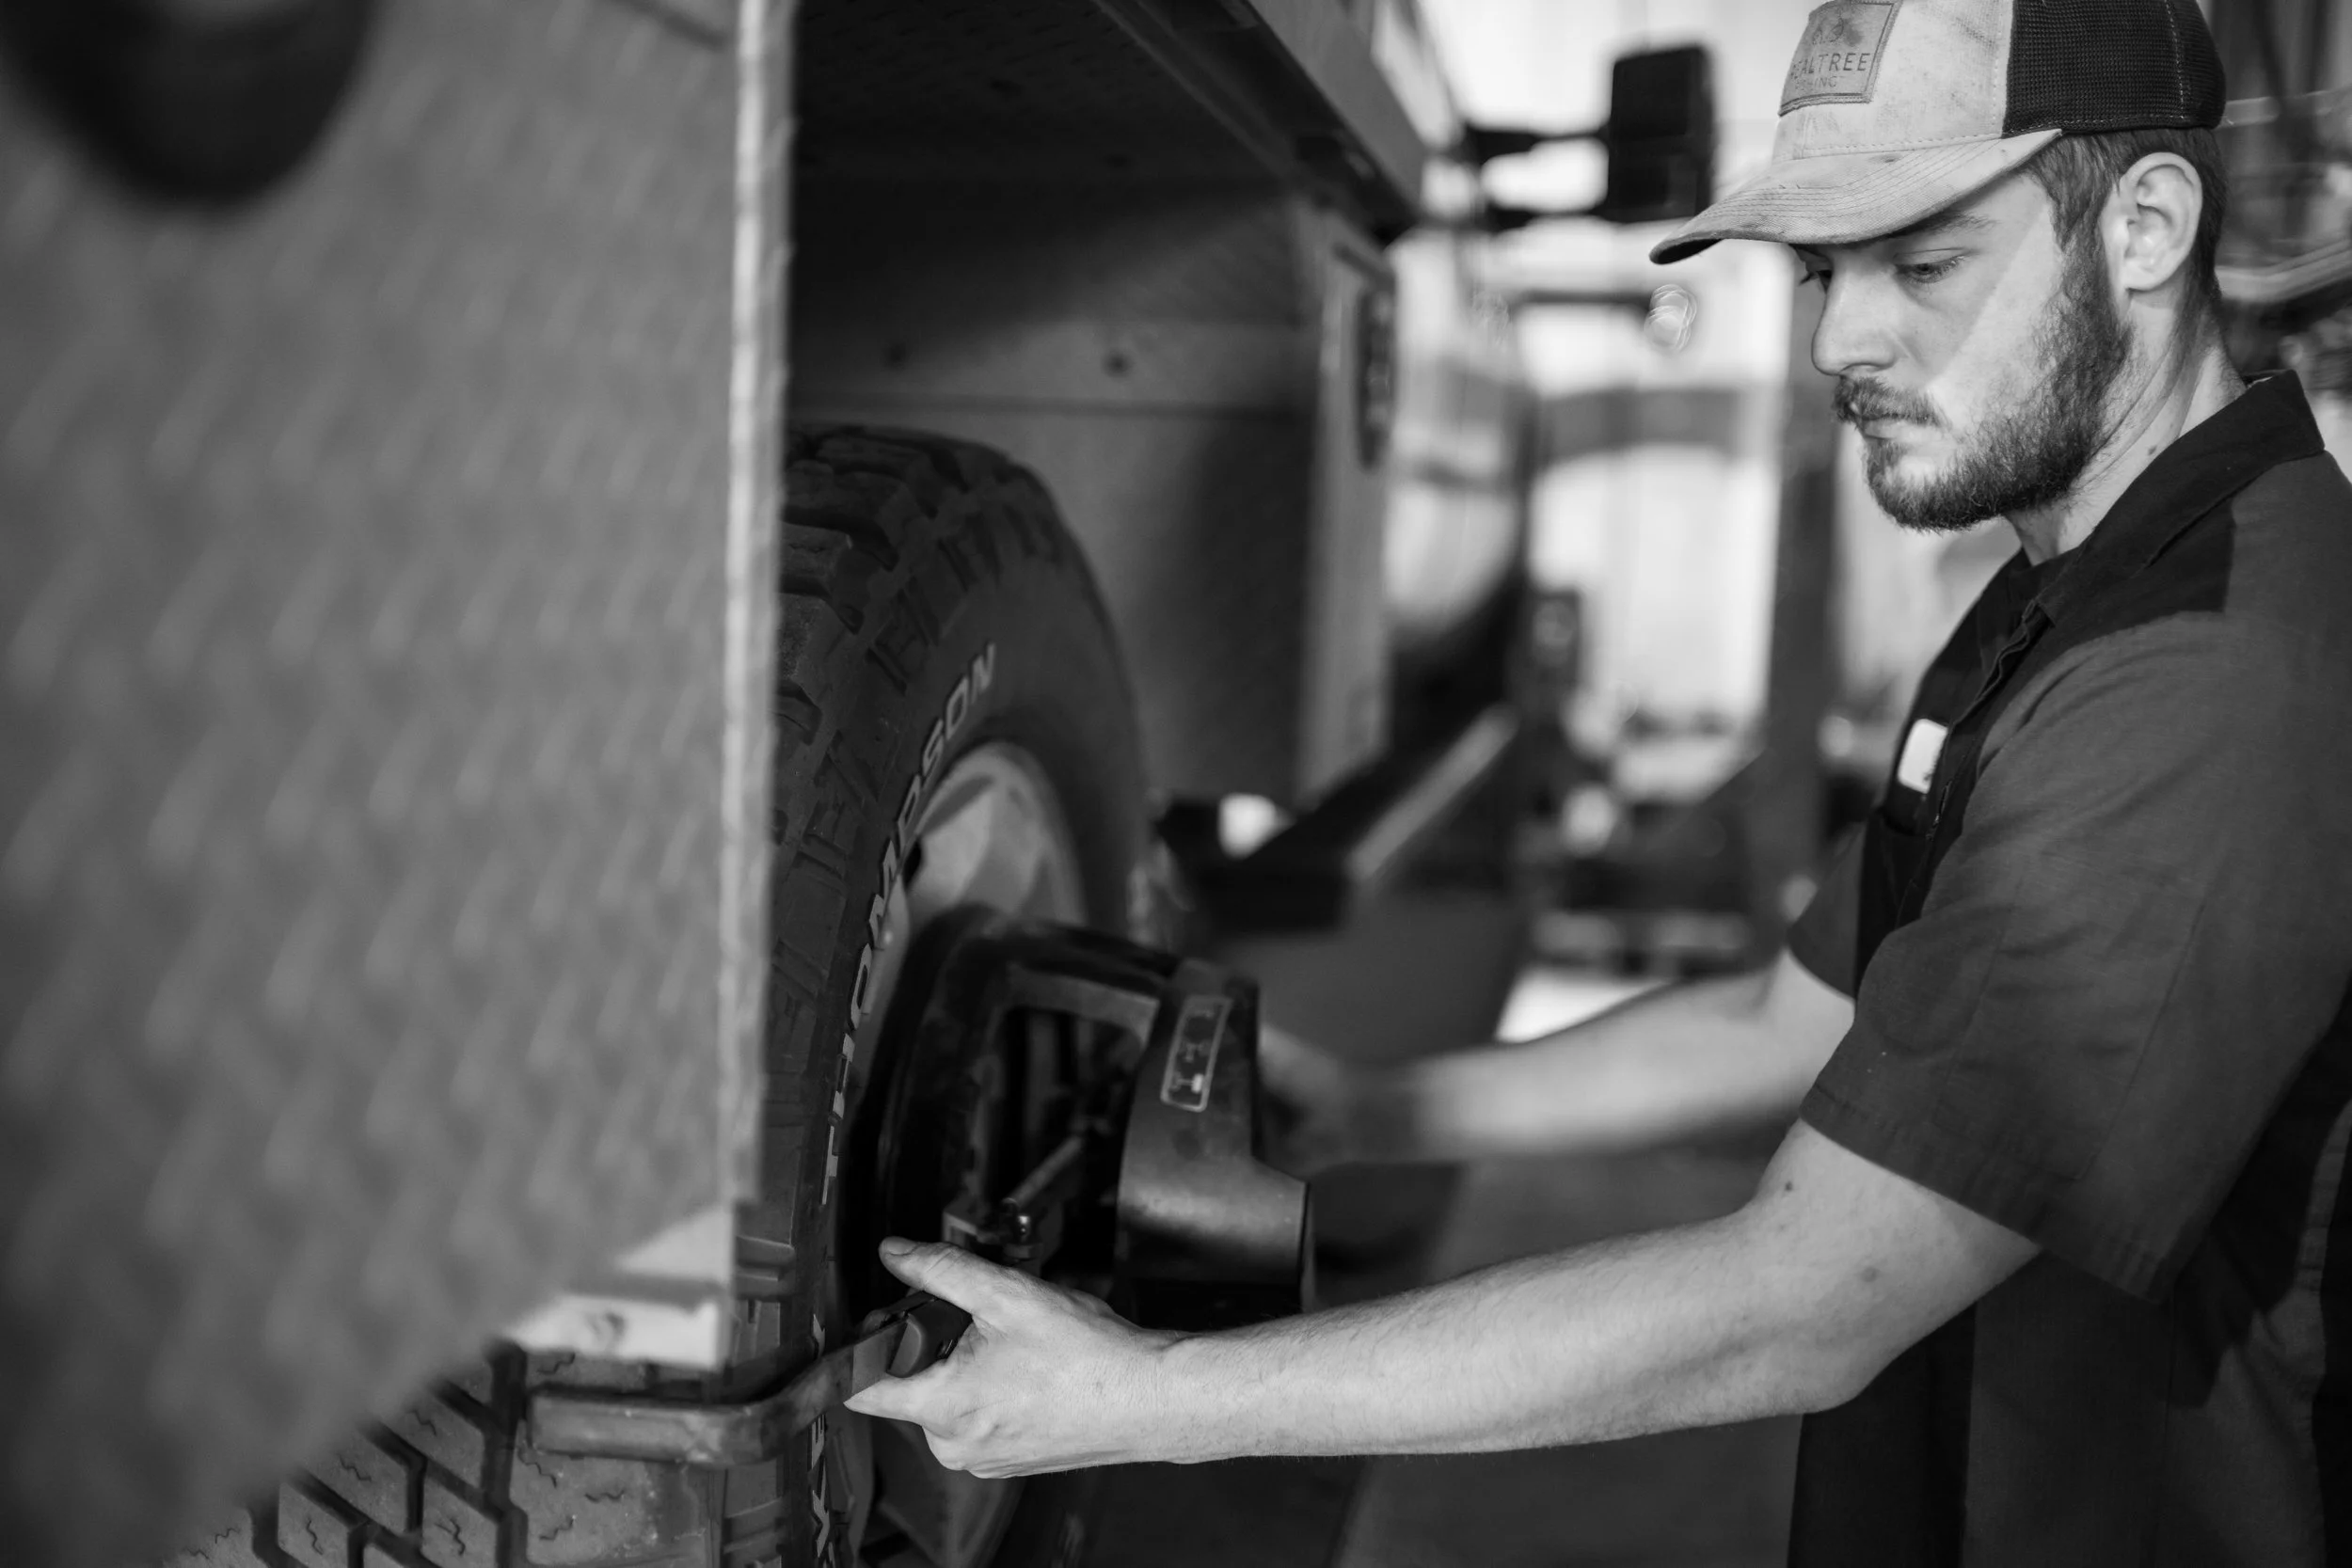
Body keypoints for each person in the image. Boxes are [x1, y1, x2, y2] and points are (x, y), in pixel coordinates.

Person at [848, 1, 2352, 1559]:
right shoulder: (2069, 589)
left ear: (2147, 228)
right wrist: (1365, 1106)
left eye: (1922, 263)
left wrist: (1142, 1396)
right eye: (1823, 270)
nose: (1837, 338)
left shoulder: (2212, 670)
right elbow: (1791, 1020)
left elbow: (1796, 1304)